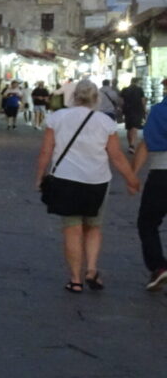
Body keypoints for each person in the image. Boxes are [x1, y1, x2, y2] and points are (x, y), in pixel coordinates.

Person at [34, 79, 139, 293]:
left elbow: (46, 151)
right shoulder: (105, 122)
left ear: (74, 97)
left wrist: (39, 176)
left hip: (65, 179)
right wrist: (131, 179)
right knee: (93, 227)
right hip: (97, 180)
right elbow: (116, 156)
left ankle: (75, 280)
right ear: (95, 99)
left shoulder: (57, 118)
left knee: (72, 229)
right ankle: (91, 269)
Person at [133, 79, 167, 291]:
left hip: (162, 174)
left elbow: (146, 144)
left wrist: (132, 175)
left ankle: (159, 267)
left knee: (147, 222)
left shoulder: (158, 111)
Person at [120, 77, 146, 155]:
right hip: (137, 110)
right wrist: (144, 110)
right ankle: (132, 145)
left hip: (127, 111)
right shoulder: (139, 89)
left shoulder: (124, 89)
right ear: (137, 82)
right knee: (135, 127)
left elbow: (121, 101)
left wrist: (122, 110)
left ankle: (131, 145)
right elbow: (143, 101)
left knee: (129, 127)